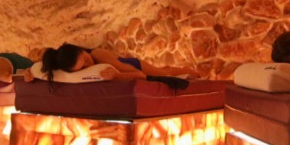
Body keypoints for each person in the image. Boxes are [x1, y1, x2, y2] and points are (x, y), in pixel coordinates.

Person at [33, 43, 191, 82]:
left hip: (132, 65)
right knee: (164, 70)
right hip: (125, 69)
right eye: (83, 68)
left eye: (86, 60)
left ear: (82, 50)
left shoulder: (97, 54)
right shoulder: (70, 71)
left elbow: (138, 74)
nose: (89, 66)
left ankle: (193, 72)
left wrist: (117, 76)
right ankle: (184, 70)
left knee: (166, 75)